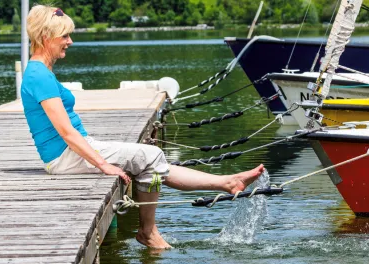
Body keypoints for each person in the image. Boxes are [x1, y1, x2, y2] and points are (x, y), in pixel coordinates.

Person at [22, 4, 265, 249]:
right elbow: (66, 132)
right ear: (45, 37)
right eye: (64, 35)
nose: (70, 41)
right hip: (65, 156)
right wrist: (104, 165)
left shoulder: (41, 72)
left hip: (71, 152)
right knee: (152, 155)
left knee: (152, 162)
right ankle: (148, 231)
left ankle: (227, 182)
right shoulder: (38, 75)